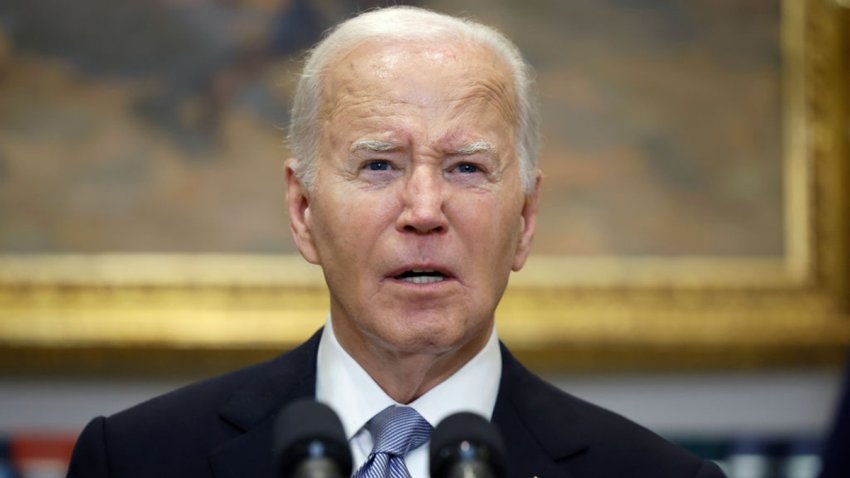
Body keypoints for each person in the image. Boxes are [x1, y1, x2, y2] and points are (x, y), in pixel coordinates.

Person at [67, 6, 726, 478]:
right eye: (379, 164)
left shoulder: (652, 473)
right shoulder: (134, 460)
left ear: (524, 221)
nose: (423, 210)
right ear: (302, 211)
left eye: (467, 167)